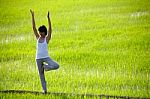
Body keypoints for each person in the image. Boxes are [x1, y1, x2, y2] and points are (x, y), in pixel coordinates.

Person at [30, 9, 59, 94]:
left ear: (44, 32)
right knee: (41, 76)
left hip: (46, 58)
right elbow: (33, 28)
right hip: (38, 59)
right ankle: (44, 90)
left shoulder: (47, 38)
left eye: (41, 32)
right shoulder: (38, 38)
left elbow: (50, 29)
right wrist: (32, 16)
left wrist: (48, 18)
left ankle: (46, 67)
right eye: (39, 32)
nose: (40, 33)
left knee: (56, 65)